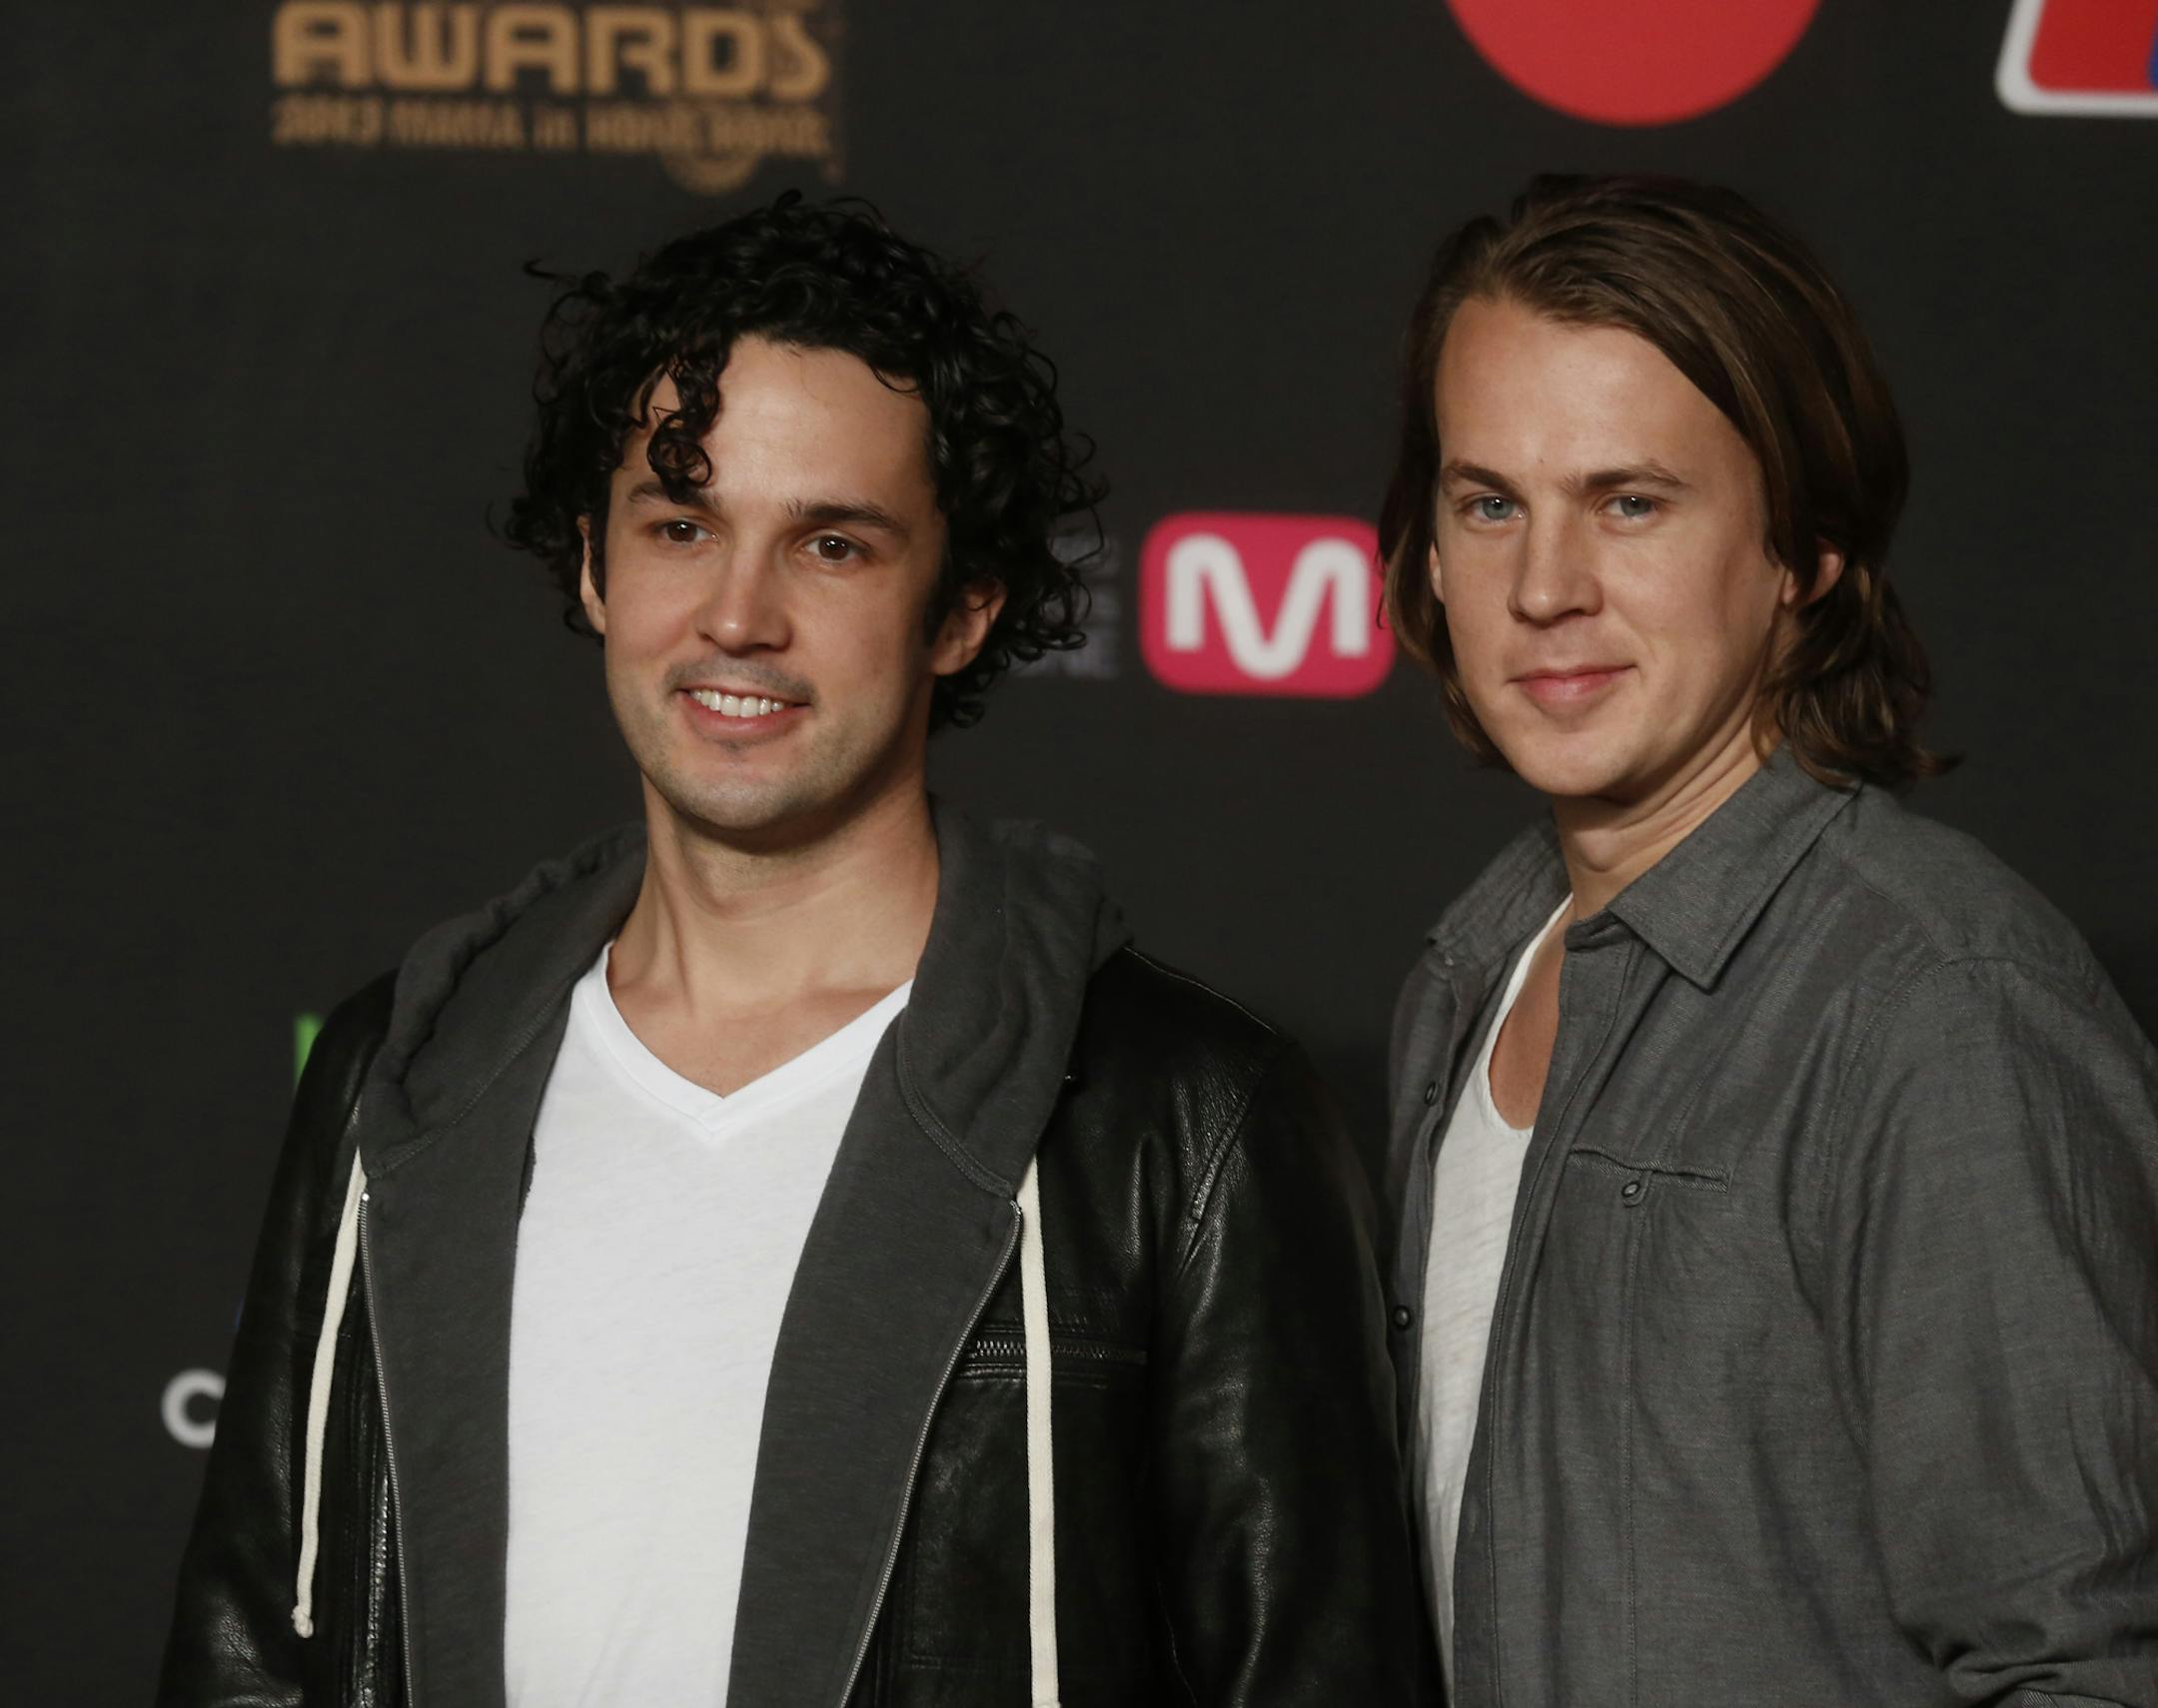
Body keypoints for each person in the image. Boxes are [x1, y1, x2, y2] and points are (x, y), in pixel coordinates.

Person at [160, 195, 1420, 1707]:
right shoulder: (402, 1069)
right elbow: (249, 1653)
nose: (738, 615)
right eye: (682, 527)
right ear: (593, 568)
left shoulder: (1185, 1120)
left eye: (830, 543)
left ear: (962, 606)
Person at [1377, 173, 2158, 1707]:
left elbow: (2086, 1667)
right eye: (1490, 504)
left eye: (1631, 502)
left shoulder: (1941, 1010)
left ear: (1801, 551)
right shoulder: (1467, 979)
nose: (1545, 588)